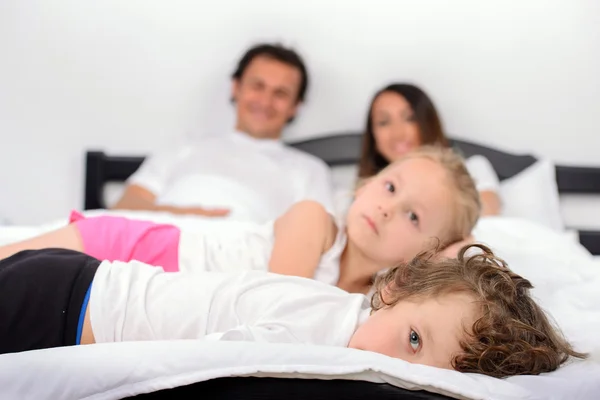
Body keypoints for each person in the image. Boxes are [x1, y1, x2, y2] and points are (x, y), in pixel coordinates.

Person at [0, 243, 586, 378]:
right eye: (412, 340)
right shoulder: (320, 324)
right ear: (394, 290)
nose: (407, 368)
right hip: (63, 303)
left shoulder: (350, 337)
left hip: (72, 298)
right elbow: (204, 365)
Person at [0, 147, 481, 294]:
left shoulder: (378, 295)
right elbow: (277, 303)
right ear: (367, 183)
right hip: (135, 245)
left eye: (413, 216)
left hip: (146, 286)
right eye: (390, 187)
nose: (386, 207)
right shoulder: (313, 221)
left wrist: (452, 255)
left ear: (431, 249)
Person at [111, 43, 334, 223]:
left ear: (295, 106)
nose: (265, 101)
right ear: (236, 87)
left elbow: (316, 238)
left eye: (281, 93)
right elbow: (126, 206)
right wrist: (194, 217)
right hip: (156, 247)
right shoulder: (185, 145)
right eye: (257, 86)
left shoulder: (310, 170)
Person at [357, 83, 502, 217]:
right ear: (373, 136)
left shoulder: (473, 169)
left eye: (410, 118)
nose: (397, 134)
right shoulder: (361, 195)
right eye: (383, 122)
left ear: (428, 123)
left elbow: (487, 213)